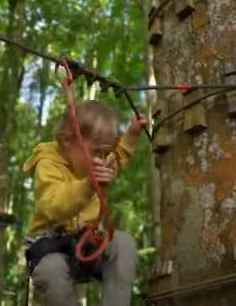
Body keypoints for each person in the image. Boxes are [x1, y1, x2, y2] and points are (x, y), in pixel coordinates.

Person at [23, 99, 147, 306]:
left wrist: (132, 134)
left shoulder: (99, 162)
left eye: (105, 152)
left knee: (124, 244)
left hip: (88, 244)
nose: (101, 159)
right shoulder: (47, 163)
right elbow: (54, 207)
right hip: (52, 248)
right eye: (95, 152)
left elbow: (117, 159)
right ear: (67, 141)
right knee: (50, 271)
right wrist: (88, 185)